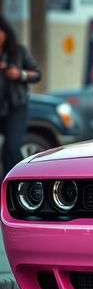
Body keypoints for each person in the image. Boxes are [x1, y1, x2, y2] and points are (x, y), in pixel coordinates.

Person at [0, 15, 42, 176]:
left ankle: (21, 180)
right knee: (5, 152)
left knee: (11, 148)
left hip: (16, 106)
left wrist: (20, 74)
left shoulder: (18, 52)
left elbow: (37, 74)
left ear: (5, 33)